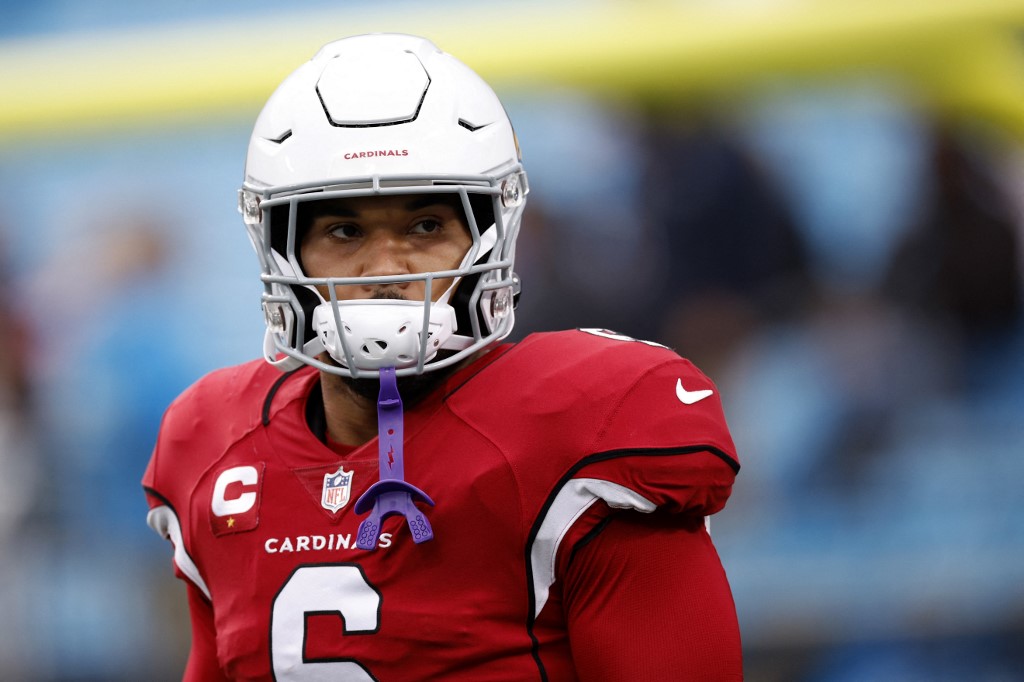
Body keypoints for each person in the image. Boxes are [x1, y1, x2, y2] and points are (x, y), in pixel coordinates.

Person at [143, 33, 743, 681]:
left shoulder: (587, 423)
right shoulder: (211, 441)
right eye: (344, 231)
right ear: (283, 251)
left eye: (426, 226)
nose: (385, 266)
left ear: (490, 235)